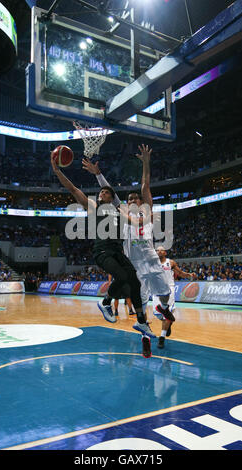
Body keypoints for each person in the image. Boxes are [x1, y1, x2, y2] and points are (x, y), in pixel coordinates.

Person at [51, 153, 155, 357]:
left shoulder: (120, 211)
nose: (103, 194)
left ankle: (142, 322)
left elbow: (132, 214)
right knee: (123, 277)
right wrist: (57, 171)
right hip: (102, 251)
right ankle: (105, 301)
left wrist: (142, 221)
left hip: (117, 251)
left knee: (134, 281)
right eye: (102, 193)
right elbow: (72, 188)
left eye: (107, 193)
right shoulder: (94, 207)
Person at [82, 145, 174, 358]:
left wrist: (145, 163)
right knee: (140, 304)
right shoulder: (121, 212)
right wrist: (99, 175)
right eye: (129, 200)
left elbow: (146, 184)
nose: (132, 202)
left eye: (135, 200)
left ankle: (162, 308)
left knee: (165, 294)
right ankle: (145, 339)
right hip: (135, 265)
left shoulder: (147, 213)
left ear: (142, 203)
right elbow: (111, 193)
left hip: (151, 261)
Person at [153, 246, 196, 349]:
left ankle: (162, 338)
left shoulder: (171, 262)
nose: (159, 251)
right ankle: (169, 323)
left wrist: (189, 275)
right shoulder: (152, 263)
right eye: (157, 250)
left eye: (161, 250)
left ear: (165, 253)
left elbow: (180, 273)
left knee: (166, 313)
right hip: (156, 289)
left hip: (169, 289)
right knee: (159, 315)